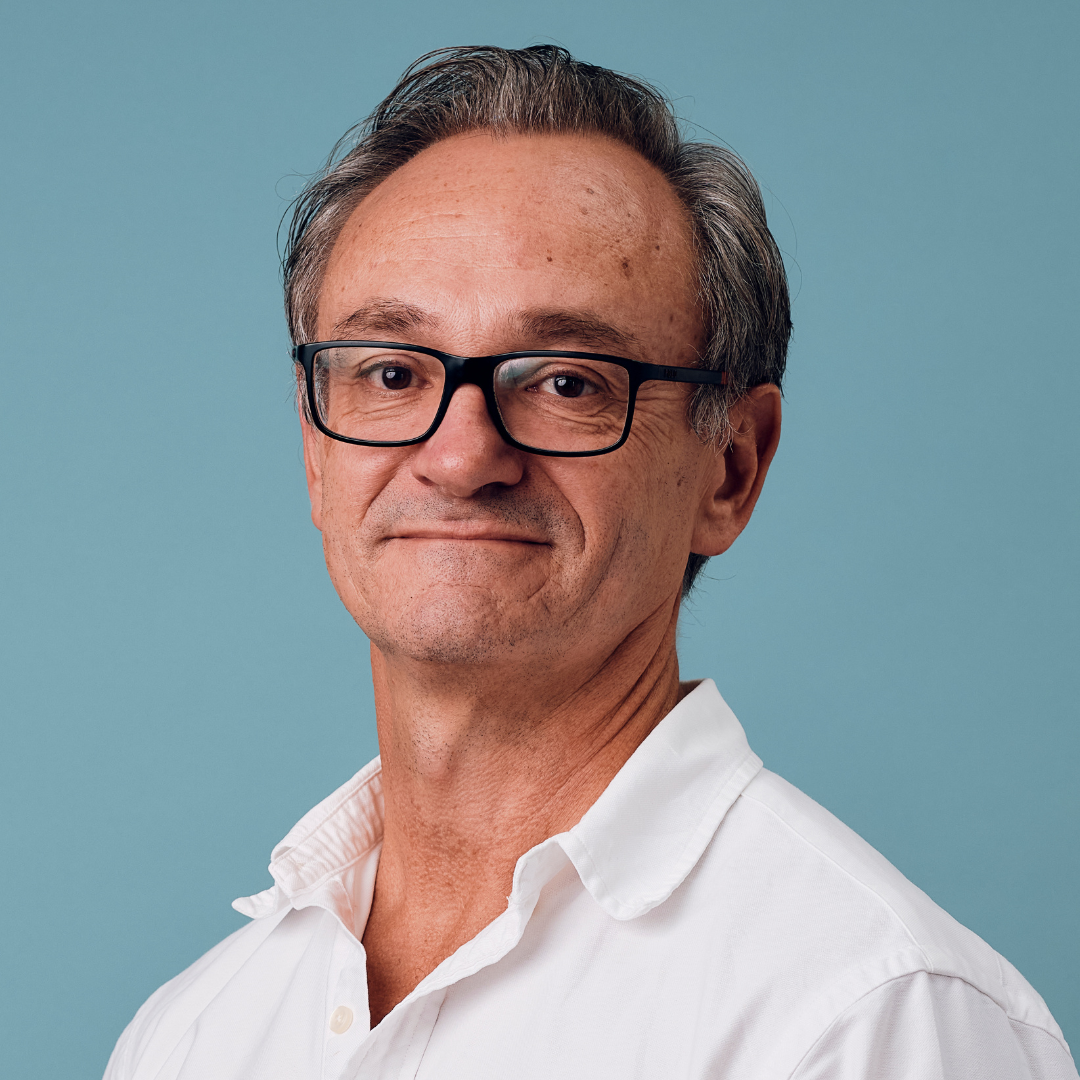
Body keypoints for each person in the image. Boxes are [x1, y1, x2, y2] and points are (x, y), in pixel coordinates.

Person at [104, 45, 1076, 1080]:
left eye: (567, 382)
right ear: (315, 450)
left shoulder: (871, 1018)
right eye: (390, 373)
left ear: (730, 470)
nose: (460, 456)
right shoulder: (193, 1034)